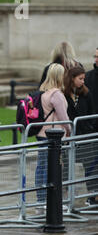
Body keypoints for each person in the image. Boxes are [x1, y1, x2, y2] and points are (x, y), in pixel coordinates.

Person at [35, 63, 71, 202]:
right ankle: (47, 199)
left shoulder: (45, 92)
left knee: (42, 166)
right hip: (53, 135)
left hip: (42, 134)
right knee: (51, 167)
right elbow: (64, 118)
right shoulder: (57, 94)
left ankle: (41, 198)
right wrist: (70, 130)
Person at [63, 66, 98, 205]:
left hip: (85, 137)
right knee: (65, 167)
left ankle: (93, 195)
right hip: (70, 138)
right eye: (80, 79)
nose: (83, 81)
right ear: (72, 79)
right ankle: (65, 195)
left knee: (91, 165)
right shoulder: (64, 95)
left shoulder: (86, 94)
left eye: (84, 78)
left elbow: (91, 112)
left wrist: (89, 127)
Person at [85, 48, 98, 205]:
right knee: (91, 162)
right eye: (95, 56)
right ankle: (93, 194)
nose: (96, 60)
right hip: (91, 127)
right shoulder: (88, 77)